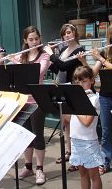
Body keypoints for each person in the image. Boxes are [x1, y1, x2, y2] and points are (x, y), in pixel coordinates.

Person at [10, 26, 50, 185]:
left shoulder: (44, 55)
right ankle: (28, 167)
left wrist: (17, 63)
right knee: (25, 136)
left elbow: (38, 72)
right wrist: (12, 61)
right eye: (31, 39)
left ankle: (40, 169)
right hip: (22, 101)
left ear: (39, 38)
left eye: (36, 38)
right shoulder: (22, 56)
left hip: (37, 101)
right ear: (25, 41)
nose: (34, 42)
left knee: (38, 135)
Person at [44, 23, 85, 172]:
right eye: (64, 34)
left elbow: (63, 66)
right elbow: (57, 69)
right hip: (62, 88)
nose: (67, 36)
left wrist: (51, 54)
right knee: (66, 124)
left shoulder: (79, 50)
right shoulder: (64, 50)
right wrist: (47, 61)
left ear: (75, 33)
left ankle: (76, 157)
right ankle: (69, 151)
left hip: (72, 88)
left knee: (74, 125)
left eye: (69, 32)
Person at [78, 24, 112, 175]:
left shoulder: (103, 57)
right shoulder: (105, 52)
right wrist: (84, 61)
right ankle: (105, 160)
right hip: (105, 97)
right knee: (106, 131)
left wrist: (100, 58)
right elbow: (91, 74)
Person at [70, 65, 104, 189]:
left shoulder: (94, 99)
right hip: (75, 139)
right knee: (83, 174)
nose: (80, 85)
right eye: (77, 82)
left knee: (93, 175)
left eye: (84, 81)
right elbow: (69, 120)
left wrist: (75, 106)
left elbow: (87, 122)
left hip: (88, 141)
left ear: (91, 81)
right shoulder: (77, 98)